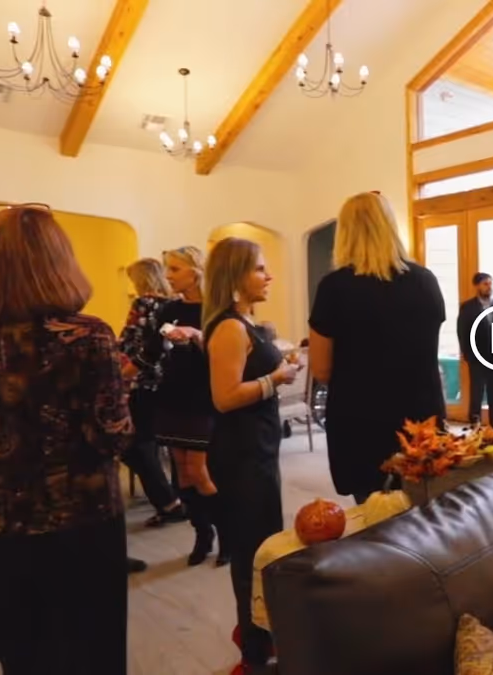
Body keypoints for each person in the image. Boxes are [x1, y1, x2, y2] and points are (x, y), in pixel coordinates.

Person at [0, 205, 132, 674]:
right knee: (93, 655)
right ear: (59, 259)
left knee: (25, 659)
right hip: (78, 521)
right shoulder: (87, 337)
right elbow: (111, 438)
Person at [309, 192, 447, 504]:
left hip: (361, 418)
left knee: (374, 513)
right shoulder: (425, 281)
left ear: (345, 233)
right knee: (425, 511)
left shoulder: (334, 287)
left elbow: (321, 368)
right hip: (420, 415)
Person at [204, 237, 298, 674]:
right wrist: (276, 377)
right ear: (237, 275)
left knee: (264, 548)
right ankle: (255, 654)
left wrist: (278, 369)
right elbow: (224, 397)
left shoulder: (246, 323)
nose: (269, 276)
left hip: (257, 450)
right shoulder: (229, 328)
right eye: (260, 268)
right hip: (241, 456)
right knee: (250, 553)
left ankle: (260, 633)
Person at [157, 246, 226, 566]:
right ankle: (202, 534)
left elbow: (226, 357)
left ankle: (227, 533)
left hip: (203, 397)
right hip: (173, 395)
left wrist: (197, 336)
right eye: (166, 269)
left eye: (174, 269)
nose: (168, 276)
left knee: (199, 470)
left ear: (196, 271)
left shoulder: (217, 310)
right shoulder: (166, 310)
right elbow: (153, 350)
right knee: (182, 474)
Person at [118, 258, 185, 530]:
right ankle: (177, 496)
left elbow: (129, 342)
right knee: (169, 442)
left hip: (144, 382)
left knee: (134, 444)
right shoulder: (173, 306)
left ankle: (169, 503)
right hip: (169, 382)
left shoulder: (143, 304)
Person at [457, 272, 493, 428]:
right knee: (477, 393)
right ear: (477, 286)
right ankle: (475, 424)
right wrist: (467, 355)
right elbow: (462, 332)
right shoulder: (467, 307)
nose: (489, 287)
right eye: (485, 284)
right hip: (477, 358)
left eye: (490, 284)